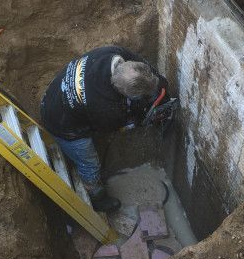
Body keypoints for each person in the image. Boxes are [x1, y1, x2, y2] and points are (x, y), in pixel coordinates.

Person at [40, 45, 168, 213]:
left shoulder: (113, 53)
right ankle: (97, 197)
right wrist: (140, 120)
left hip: (55, 94)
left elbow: (142, 65)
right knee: (90, 164)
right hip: (62, 124)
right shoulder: (105, 106)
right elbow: (112, 128)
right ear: (124, 94)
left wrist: (156, 83)